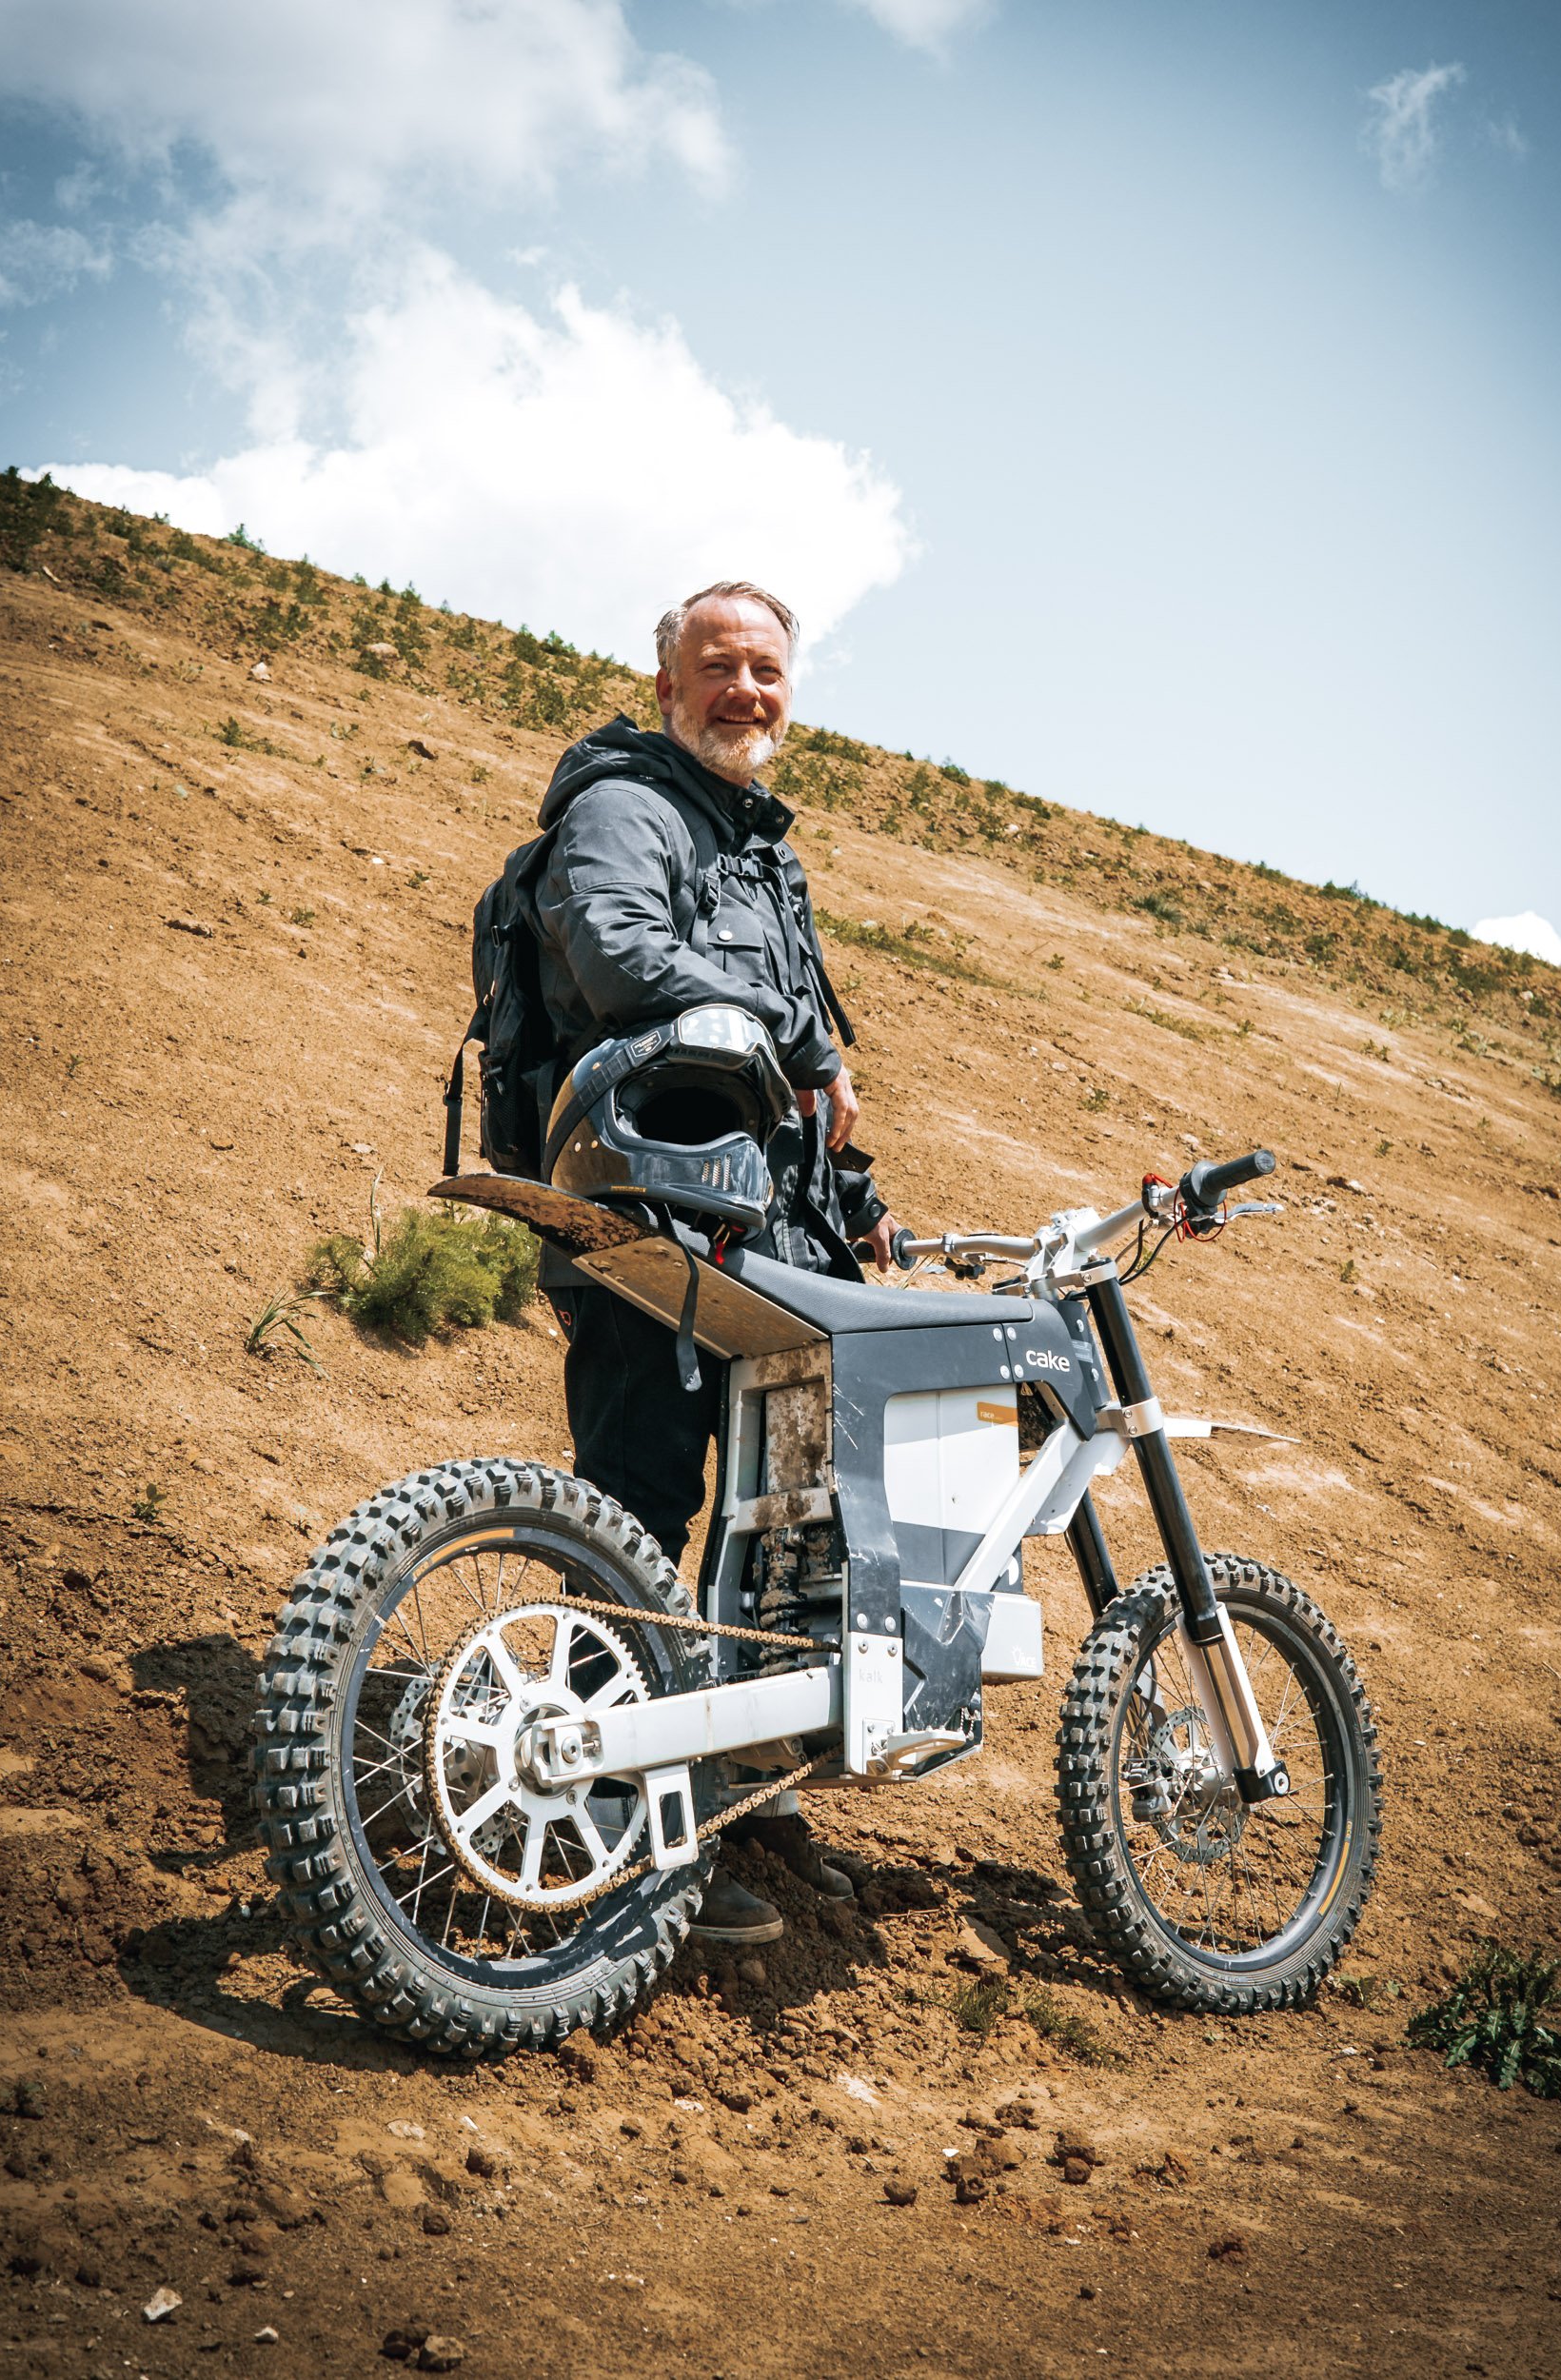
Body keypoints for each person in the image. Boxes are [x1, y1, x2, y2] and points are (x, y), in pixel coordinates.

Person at [529, 580, 896, 1945]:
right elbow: (623, 961)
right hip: (644, 1228)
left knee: (776, 1529)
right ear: (668, 685)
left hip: (766, 1245)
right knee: (638, 1507)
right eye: (719, 667)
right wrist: (800, 1048)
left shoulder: (760, 849)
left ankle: (740, 1789)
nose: (746, 691)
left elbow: (803, 1087)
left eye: (767, 672)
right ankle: (605, 1814)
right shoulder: (626, 808)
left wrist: (859, 1204)